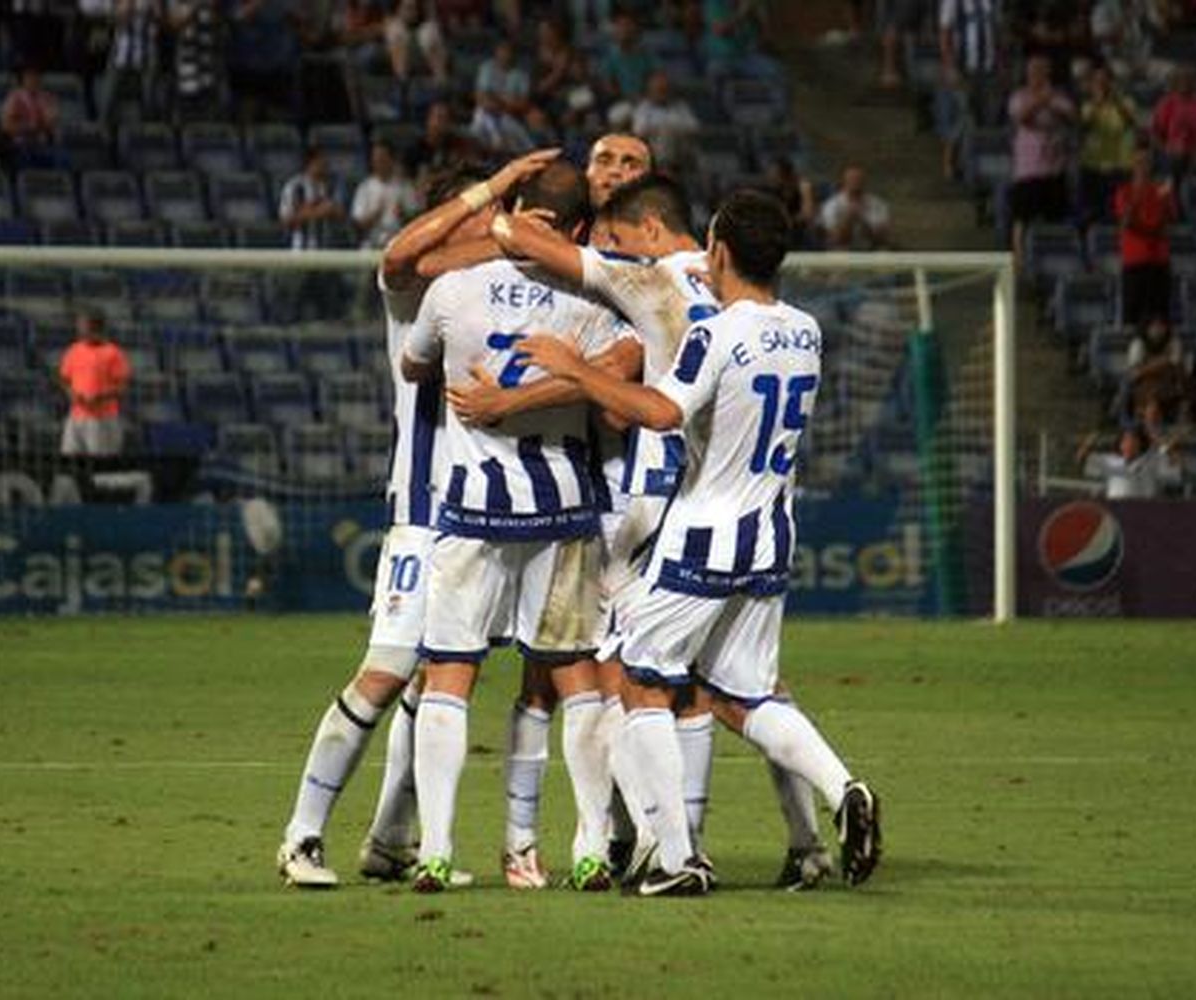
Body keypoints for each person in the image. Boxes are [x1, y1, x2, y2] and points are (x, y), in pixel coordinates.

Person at [514, 189, 882, 896]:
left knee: (639, 679)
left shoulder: (717, 333)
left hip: (705, 531)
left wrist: (576, 369)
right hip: (772, 534)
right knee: (741, 693)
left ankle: (678, 859)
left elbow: (660, 409)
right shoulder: (806, 330)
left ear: (718, 252)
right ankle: (845, 790)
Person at [276, 151, 560, 890]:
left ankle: (389, 840)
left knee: (438, 680)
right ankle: (301, 836)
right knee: (389, 669)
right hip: (425, 511)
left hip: (488, 511)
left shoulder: (506, 289)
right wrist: (499, 209)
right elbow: (405, 254)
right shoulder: (417, 288)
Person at [400, 161, 634, 894]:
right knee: (577, 677)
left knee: (449, 675)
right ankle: (592, 848)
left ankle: (435, 849)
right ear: (574, 230)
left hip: (472, 505)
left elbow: (415, 369)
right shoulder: (593, 298)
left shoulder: (450, 289)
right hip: (562, 505)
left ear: (519, 210)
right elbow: (614, 386)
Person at [1007, 55, 1076, 261]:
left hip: (1054, 167)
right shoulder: (1018, 96)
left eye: (1041, 71)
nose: (1037, 76)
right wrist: (1041, 100)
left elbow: (1071, 115)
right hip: (1028, 169)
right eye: (1033, 71)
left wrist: (1050, 101)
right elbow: (1022, 117)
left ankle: (1052, 258)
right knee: (1022, 217)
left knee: (1055, 217)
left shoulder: (1058, 96)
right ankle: (1019, 257)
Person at [936, 0, 1002, 180]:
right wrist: (949, 66)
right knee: (963, 115)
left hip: (988, 69)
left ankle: (974, 165)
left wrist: (1000, 64)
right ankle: (949, 160)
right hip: (963, 68)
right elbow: (945, 33)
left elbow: (996, 32)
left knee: (985, 117)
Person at [1114, 146, 1175, 329]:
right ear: (1132, 164)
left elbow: (1168, 222)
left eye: (1147, 162)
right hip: (1134, 263)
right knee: (1132, 319)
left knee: (1160, 319)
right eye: (1139, 162)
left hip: (1159, 262)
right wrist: (1138, 194)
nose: (1143, 166)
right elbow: (1125, 222)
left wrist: (1163, 198)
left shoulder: (1161, 190)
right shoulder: (1124, 191)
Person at [58, 308, 131, 457]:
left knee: (101, 464)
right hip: (76, 417)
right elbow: (64, 379)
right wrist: (70, 393)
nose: (78, 328)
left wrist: (100, 396)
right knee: (69, 459)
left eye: (82, 325)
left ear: (94, 327)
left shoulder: (113, 353)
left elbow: (122, 388)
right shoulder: (74, 350)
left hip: (102, 419)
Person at [1078, 66, 1138, 226]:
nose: (1102, 85)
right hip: (1093, 166)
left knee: (1117, 212)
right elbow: (1083, 128)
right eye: (1098, 82)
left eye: (1106, 81)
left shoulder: (1126, 102)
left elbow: (1130, 122)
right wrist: (1097, 103)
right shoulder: (1087, 105)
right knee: (1091, 213)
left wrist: (1115, 100)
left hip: (1120, 166)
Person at [1077, 424, 1182, 498]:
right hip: (1116, 512)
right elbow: (1081, 459)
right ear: (1120, 444)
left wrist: (1166, 446)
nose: (1129, 444)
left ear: (1141, 444)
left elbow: (1177, 471)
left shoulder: (1153, 460)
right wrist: (1090, 441)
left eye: (1134, 440)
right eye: (1126, 440)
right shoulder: (1109, 460)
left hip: (1146, 512)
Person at [1151, 65, 1196, 181]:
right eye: (1182, 79)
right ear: (1175, 82)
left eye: (1189, 79)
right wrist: (1167, 150)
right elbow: (1156, 134)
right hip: (1173, 157)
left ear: (1195, 82)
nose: (1185, 83)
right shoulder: (1166, 104)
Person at [351, 142, 420, 249]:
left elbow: (417, 220)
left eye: (382, 159)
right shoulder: (365, 187)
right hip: (372, 241)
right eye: (375, 160)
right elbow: (358, 224)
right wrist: (375, 216)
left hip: (398, 241)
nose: (378, 163)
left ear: (391, 160)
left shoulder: (404, 186)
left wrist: (403, 215)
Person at [631, 70, 701, 172]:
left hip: (680, 150)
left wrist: (670, 129)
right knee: (664, 134)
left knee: (670, 133)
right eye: (658, 89)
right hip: (653, 150)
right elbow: (639, 131)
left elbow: (694, 128)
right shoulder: (643, 108)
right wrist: (661, 129)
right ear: (650, 90)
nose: (662, 92)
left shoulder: (680, 107)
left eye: (664, 89)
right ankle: (665, 171)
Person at [278, 147, 345, 251]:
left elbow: (341, 214)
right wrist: (317, 212)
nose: (326, 164)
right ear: (311, 163)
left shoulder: (332, 185)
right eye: (321, 161)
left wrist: (329, 210)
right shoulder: (294, 186)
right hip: (301, 248)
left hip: (327, 248)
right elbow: (285, 220)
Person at [818, 165, 894, 250]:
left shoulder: (878, 204)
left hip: (871, 250)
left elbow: (881, 239)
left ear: (865, 181)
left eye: (859, 179)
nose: (856, 182)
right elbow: (835, 239)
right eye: (852, 179)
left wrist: (862, 220)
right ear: (843, 181)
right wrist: (849, 218)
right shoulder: (831, 205)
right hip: (841, 251)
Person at [1, 67, 61, 168]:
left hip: (44, 144)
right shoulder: (13, 97)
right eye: (29, 77)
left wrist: (36, 126)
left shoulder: (48, 97)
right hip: (20, 144)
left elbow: (52, 123)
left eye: (36, 76)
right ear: (23, 80)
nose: (33, 80)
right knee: (21, 155)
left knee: (61, 157)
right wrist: (29, 127)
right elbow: (6, 126)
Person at [384, 0, 449, 84]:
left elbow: (441, 53)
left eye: (413, 8)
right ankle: (402, 82)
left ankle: (441, 81)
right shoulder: (394, 27)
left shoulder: (430, 27)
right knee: (396, 33)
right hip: (406, 64)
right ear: (398, 10)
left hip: (427, 62)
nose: (410, 12)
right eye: (407, 8)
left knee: (427, 34)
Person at [762, 156, 817, 248]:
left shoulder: (803, 187)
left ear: (785, 174)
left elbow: (807, 215)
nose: (770, 177)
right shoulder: (771, 191)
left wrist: (806, 192)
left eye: (774, 174)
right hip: (782, 232)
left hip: (800, 234)